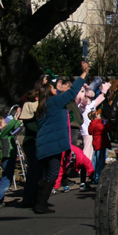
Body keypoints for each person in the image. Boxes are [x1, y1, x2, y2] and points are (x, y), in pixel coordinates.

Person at [34, 61, 89, 214]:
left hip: (43, 144)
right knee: (52, 173)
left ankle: (38, 199)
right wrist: (83, 74)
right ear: (49, 92)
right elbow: (72, 92)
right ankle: (41, 204)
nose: (55, 89)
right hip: (54, 144)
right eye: (53, 88)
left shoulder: (43, 106)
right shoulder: (55, 102)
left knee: (45, 173)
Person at [0, 114, 22, 208]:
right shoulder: (0, 133)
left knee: (7, 178)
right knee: (6, 179)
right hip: (7, 156)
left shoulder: (5, 132)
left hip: (10, 156)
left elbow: (13, 127)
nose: (6, 123)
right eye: (4, 122)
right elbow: (8, 128)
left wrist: (20, 121)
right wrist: (15, 119)